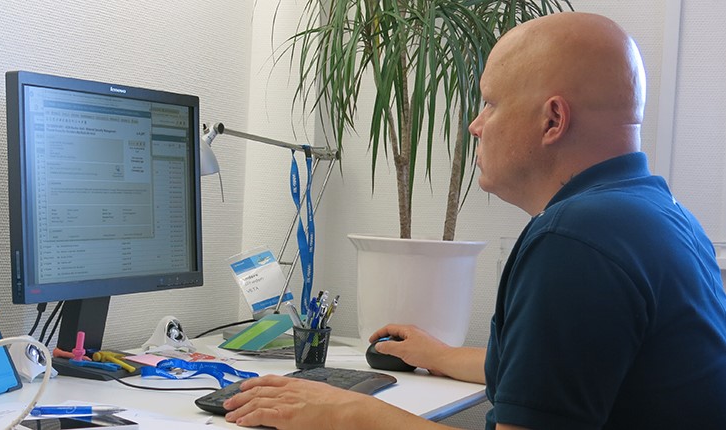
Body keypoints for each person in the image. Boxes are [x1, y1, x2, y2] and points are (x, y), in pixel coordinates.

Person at [222, 11, 726, 429]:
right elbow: (553, 374)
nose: (475, 125)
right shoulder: (660, 216)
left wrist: (347, 412)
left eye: (490, 103)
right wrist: (439, 355)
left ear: (553, 119)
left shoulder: (576, 239)